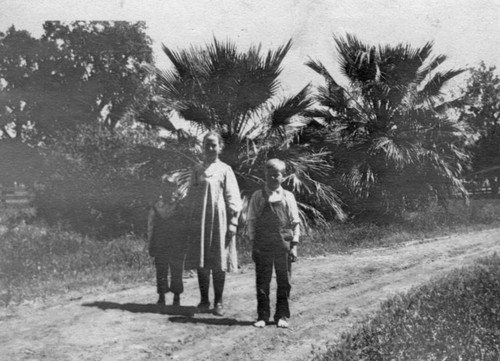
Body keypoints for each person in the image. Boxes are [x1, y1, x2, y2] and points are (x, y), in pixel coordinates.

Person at [185, 131, 242, 316]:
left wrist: (233, 223)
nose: (210, 148)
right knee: (202, 261)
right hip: (200, 221)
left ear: (220, 147)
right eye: (207, 144)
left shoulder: (225, 170)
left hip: (220, 221)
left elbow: (233, 198)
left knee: (219, 261)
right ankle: (204, 300)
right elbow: (191, 196)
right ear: (202, 147)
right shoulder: (197, 169)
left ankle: (218, 301)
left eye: (213, 145)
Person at [247, 159, 300, 328]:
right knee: (263, 280)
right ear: (265, 175)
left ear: (283, 177)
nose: (272, 178)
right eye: (269, 174)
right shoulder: (258, 196)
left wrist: (295, 246)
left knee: (284, 280)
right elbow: (251, 221)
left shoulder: (288, 197)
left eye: (276, 175)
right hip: (263, 245)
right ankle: (263, 315)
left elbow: (295, 222)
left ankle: (282, 315)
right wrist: (253, 243)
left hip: (283, 244)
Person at [147, 184, 186, 306]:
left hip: (169, 243)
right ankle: (170, 297)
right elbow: (150, 226)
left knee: (168, 269)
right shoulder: (179, 207)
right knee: (170, 269)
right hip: (170, 243)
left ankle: (170, 297)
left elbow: (150, 227)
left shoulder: (159, 206)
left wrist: (151, 243)